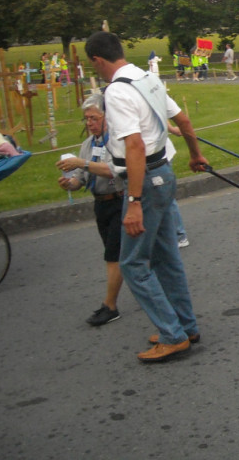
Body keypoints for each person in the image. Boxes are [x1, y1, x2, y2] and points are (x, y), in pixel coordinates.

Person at [85, 30, 208, 363]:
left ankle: (173, 334)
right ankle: (185, 325)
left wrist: (134, 203)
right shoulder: (146, 77)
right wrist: (195, 154)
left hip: (146, 181)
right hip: (162, 174)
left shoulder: (118, 91)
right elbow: (181, 118)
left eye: (93, 65)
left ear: (98, 60)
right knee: (166, 258)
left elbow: (134, 145)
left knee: (133, 263)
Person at [56, 94, 125, 326]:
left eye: (93, 118)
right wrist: (70, 184)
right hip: (100, 205)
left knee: (113, 256)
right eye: (86, 118)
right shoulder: (87, 145)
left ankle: (110, 306)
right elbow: (80, 179)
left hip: (120, 202)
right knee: (120, 255)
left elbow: (113, 170)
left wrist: (81, 163)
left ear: (106, 118)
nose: (89, 123)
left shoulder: (116, 140)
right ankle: (149, 286)